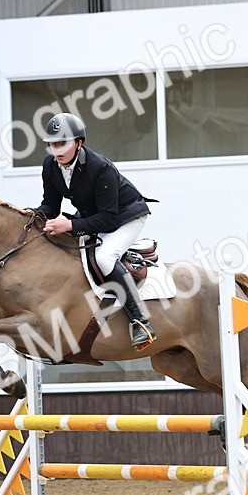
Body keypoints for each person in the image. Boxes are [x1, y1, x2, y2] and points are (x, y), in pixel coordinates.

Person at [32, 113, 157, 350]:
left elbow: (109, 218)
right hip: (95, 216)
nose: (56, 150)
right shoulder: (50, 165)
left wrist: (70, 225)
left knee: (103, 257)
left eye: (62, 144)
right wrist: (32, 217)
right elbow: (51, 205)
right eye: (52, 144)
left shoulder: (100, 167)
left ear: (79, 143)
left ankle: (141, 322)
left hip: (126, 216)